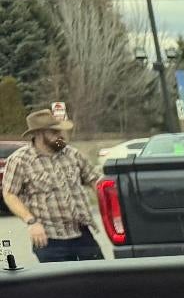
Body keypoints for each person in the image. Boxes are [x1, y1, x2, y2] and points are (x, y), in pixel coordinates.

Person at [1, 107, 106, 264]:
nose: (60, 136)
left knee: (98, 275)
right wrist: (31, 222)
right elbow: (10, 194)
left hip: (82, 233)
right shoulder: (20, 161)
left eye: (60, 131)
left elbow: (94, 180)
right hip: (49, 239)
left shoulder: (71, 154)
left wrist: (110, 205)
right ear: (38, 134)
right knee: (60, 280)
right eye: (54, 132)